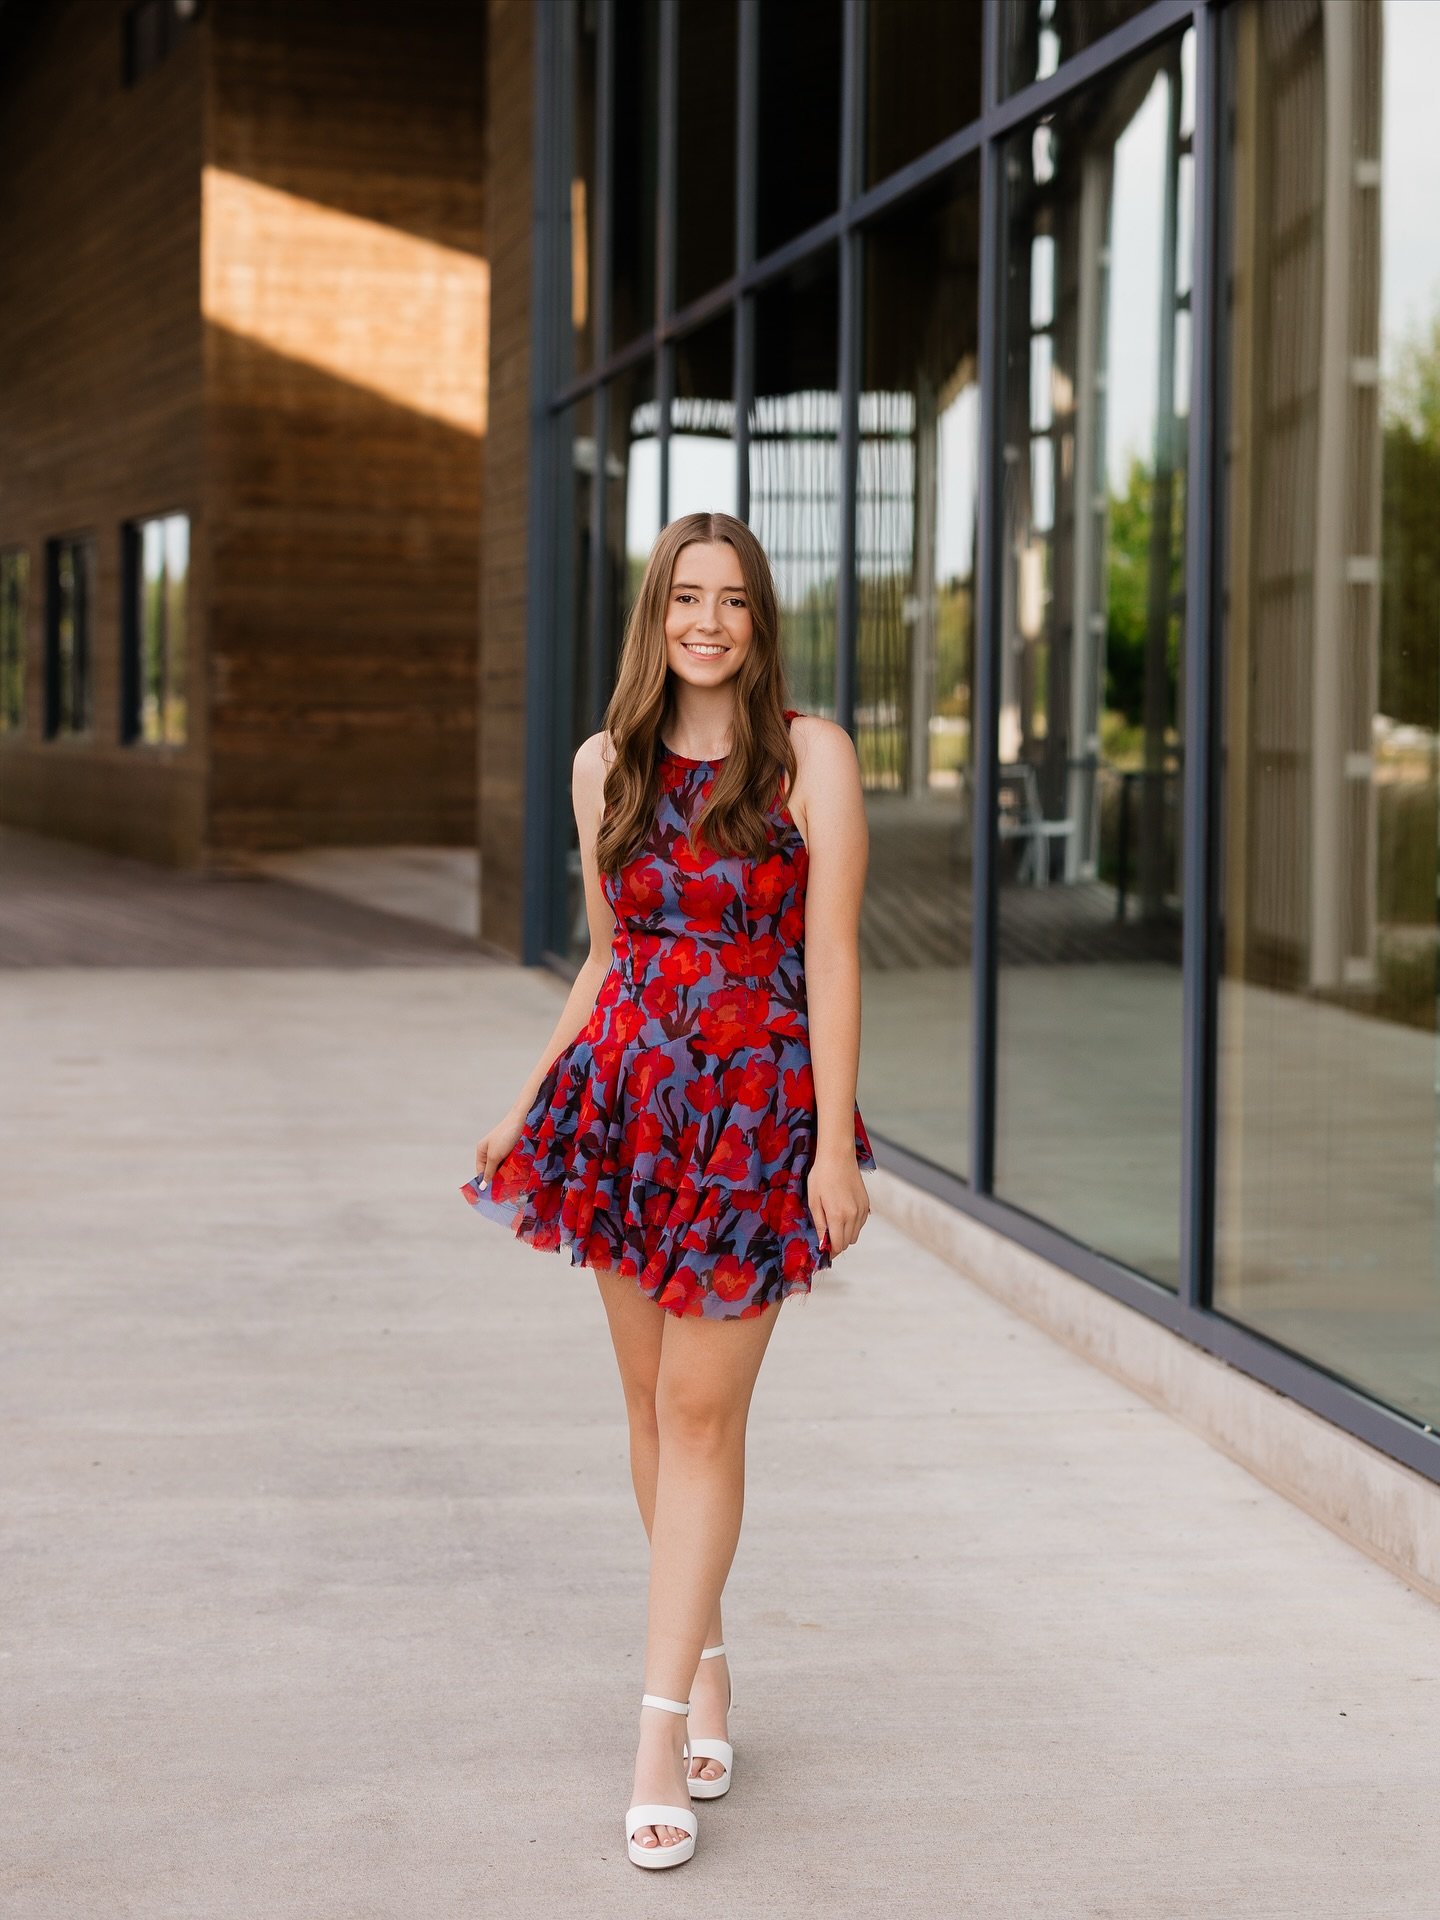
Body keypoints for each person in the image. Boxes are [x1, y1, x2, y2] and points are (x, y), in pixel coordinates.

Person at [460, 510, 876, 1869]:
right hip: (628, 1114)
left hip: (754, 1122)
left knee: (702, 1411)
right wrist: (525, 1102)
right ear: (657, 615)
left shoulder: (811, 757)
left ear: (760, 620)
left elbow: (832, 959)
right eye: (687, 597)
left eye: (733, 599)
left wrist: (830, 1147)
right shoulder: (606, 765)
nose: (708, 621)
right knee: (649, 1406)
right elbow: (605, 959)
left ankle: (653, 1738)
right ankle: (703, 1668)